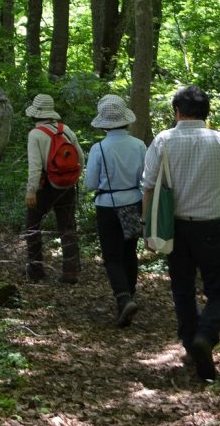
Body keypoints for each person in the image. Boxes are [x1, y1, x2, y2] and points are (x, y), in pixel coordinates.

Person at [142, 85, 220, 382]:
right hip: (212, 225)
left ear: (177, 111)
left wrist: (149, 228)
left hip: (177, 227)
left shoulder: (164, 139)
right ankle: (206, 335)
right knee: (219, 289)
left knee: (182, 288)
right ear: (206, 112)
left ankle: (191, 344)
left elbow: (148, 186)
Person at [83, 94, 147, 327]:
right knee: (129, 252)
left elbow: (90, 183)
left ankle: (123, 298)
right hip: (133, 201)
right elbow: (146, 178)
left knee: (112, 256)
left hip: (107, 206)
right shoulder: (139, 145)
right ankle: (128, 297)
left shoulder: (99, 148)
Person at [24, 94, 84, 283]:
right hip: (66, 185)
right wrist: (72, 178)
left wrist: (31, 190)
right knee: (67, 227)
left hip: (44, 186)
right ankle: (70, 271)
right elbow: (80, 158)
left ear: (36, 114)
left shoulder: (35, 134)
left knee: (32, 225)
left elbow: (35, 166)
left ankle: (36, 270)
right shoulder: (65, 130)